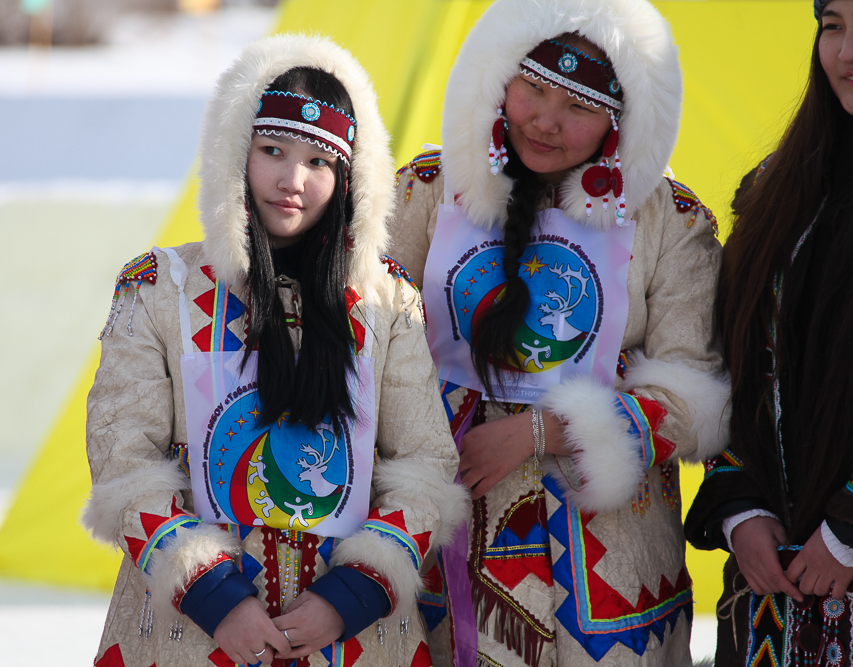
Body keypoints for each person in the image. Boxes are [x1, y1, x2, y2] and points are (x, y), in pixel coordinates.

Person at [81, 34, 467, 667]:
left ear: (349, 179)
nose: (293, 181)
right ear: (235, 153)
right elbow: (125, 461)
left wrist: (348, 596)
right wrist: (219, 601)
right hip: (189, 634)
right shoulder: (159, 290)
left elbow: (425, 464)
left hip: (353, 638)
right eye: (272, 151)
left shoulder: (387, 303)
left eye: (319, 162)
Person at [388, 0, 730, 664]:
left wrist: (540, 431)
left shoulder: (671, 218)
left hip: (610, 574)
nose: (545, 120)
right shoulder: (427, 191)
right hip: (444, 541)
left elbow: (697, 402)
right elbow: (362, 346)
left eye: (578, 106)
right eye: (533, 88)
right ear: (498, 79)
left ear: (621, 118)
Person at [684, 1, 853, 664]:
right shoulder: (777, 195)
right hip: (772, 601)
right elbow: (728, 363)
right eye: (834, 26)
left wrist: (846, 530)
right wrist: (741, 508)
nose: (845, 54)